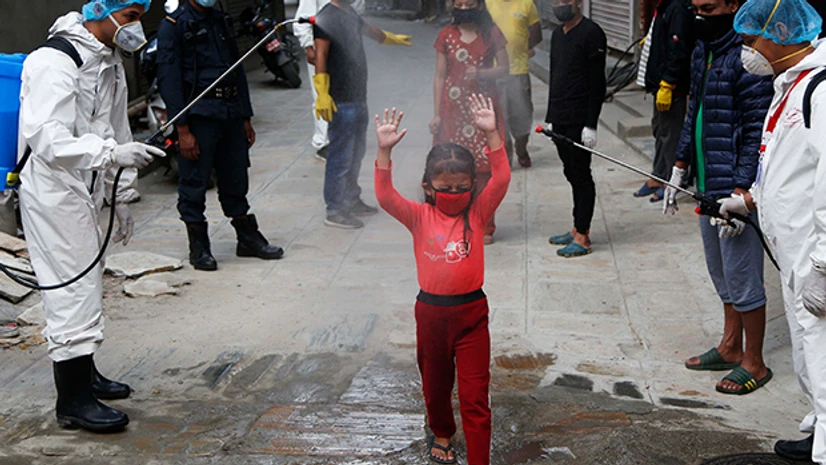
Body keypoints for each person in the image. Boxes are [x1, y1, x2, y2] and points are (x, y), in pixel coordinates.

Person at [17, 0, 164, 433]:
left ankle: (87, 373)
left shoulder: (109, 60)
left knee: (90, 281)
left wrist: (121, 194)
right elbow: (47, 137)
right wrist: (108, 155)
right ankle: (73, 400)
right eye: (132, 16)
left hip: (90, 184)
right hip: (55, 193)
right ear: (101, 8)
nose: (137, 27)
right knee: (71, 289)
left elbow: (116, 127)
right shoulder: (54, 61)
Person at [375, 95, 509, 465]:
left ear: (472, 185)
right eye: (444, 187)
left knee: (475, 394)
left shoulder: (479, 213)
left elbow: (501, 178)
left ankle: (479, 459)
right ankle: (442, 433)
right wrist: (384, 152)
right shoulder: (419, 217)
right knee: (435, 388)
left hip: (472, 316)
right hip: (431, 315)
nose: (453, 194)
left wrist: (493, 134)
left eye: (460, 187)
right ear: (428, 185)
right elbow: (385, 196)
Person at [721, 0, 825, 460]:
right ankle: (820, 428)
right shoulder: (791, 83)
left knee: (821, 349)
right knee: (807, 346)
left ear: (782, 31)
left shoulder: (820, 90)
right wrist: (749, 200)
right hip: (793, 251)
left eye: (751, 37)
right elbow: (786, 166)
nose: (746, 49)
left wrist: (823, 264)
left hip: (813, 254)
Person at [663, 0, 774, 395]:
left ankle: (754, 362)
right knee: (720, 271)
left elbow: (756, 127)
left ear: (732, 6)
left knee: (743, 275)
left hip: (734, 187)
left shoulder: (748, 59)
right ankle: (730, 346)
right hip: (706, 180)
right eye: (695, 8)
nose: (699, 16)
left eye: (708, 8)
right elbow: (693, 109)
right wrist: (679, 163)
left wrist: (744, 189)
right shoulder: (702, 51)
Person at [157, 0, 285, 271]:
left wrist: (245, 117)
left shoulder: (220, 19)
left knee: (236, 176)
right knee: (194, 181)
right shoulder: (174, 25)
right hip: (199, 115)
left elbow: (236, 69)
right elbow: (169, 79)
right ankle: (199, 246)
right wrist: (182, 128)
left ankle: (247, 238)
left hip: (230, 112)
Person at [312, 0, 412, 229]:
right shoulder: (325, 17)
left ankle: (351, 199)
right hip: (341, 100)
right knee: (341, 155)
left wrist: (390, 38)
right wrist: (322, 92)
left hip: (358, 96)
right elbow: (320, 55)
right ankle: (335, 209)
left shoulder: (349, 12)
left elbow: (370, 30)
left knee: (356, 152)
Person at [430, 0, 509, 244]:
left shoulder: (492, 32)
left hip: (482, 110)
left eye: (469, 3)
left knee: (485, 168)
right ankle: (453, 222)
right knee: (452, 167)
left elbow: (505, 68)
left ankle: (485, 225)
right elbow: (440, 76)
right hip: (452, 111)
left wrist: (484, 73)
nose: (464, 8)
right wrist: (436, 114)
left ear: (479, 5)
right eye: (459, 3)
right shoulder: (446, 35)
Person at [545, 0, 606, 257]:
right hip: (560, 116)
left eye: (565, 0)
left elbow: (597, 83)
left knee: (581, 175)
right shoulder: (558, 35)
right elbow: (555, 75)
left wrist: (591, 125)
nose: (560, 5)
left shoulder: (592, 33)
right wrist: (550, 116)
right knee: (570, 172)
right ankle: (575, 227)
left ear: (579, 3)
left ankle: (583, 235)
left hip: (580, 119)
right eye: (556, 1)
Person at [633, 0, 694, 202]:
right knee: (659, 128)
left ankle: (672, 181)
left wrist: (669, 82)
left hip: (671, 87)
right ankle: (658, 175)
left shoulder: (677, 8)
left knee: (671, 134)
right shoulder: (664, 6)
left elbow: (678, 49)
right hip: (658, 84)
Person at [294, 0, 365, 162]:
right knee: (323, 97)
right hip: (321, 48)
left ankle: (345, 136)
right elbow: (304, 16)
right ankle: (323, 143)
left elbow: (358, 12)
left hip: (345, 49)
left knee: (345, 94)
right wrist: (307, 46)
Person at [487, 0, 542, 168]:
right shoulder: (487, 3)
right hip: (494, 72)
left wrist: (524, 48)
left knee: (523, 116)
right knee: (500, 118)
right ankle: (506, 160)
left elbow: (537, 33)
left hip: (518, 71)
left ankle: (521, 148)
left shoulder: (526, 4)